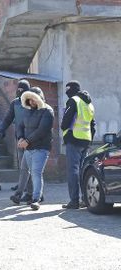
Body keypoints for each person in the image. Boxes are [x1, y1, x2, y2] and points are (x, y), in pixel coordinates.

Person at [15, 87, 54, 210]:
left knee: (36, 173)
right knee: (24, 171)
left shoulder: (47, 111)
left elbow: (42, 130)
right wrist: (21, 138)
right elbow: (20, 125)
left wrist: (27, 141)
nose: (31, 102)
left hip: (41, 148)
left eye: (34, 99)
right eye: (29, 100)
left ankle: (36, 199)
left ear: (39, 98)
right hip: (28, 148)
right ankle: (18, 194)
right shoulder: (27, 111)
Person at [61, 81, 95, 209]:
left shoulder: (73, 100)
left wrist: (63, 128)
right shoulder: (89, 104)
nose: (66, 92)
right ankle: (85, 200)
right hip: (86, 140)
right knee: (82, 171)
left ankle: (74, 201)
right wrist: (90, 139)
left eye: (67, 89)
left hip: (74, 139)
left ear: (71, 89)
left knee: (73, 171)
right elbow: (93, 124)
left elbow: (66, 119)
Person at [0, 80, 33, 202]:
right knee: (24, 168)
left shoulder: (34, 102)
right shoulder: (15, 103)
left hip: (33, 140)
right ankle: (29, 193)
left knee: (31, 169)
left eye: (23, 90)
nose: (20, 92)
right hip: (20, 140)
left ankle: (33, 193)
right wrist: (1, 130)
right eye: (19, 90)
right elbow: (8, 119)